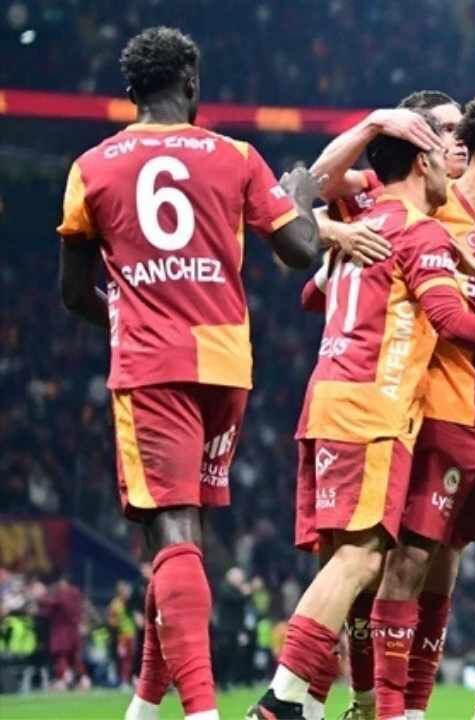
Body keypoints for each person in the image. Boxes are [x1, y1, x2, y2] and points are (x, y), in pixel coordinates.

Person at [247, 109, 475, 720]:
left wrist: (329, 231)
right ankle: (285, 701)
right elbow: (449, 317)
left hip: (327, 399)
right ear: (421, 159)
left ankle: (324, 703)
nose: (452, 155)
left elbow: (306, 275)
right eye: (443, 143)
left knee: (349, 562)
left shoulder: (367, 223)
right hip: (376, 406)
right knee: (363, 562)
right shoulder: (419, 228)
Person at [55, 26, 323, 720]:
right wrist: (299, 191)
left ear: (131, 91)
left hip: (152, 365)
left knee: (170, 533)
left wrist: (135, 314)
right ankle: (145, 706)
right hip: (227, 365)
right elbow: (301, 249)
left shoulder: (92, 167)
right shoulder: (236, 156)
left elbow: (74, 293)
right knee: (183, 539)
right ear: (192, 82)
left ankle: (200, 713)